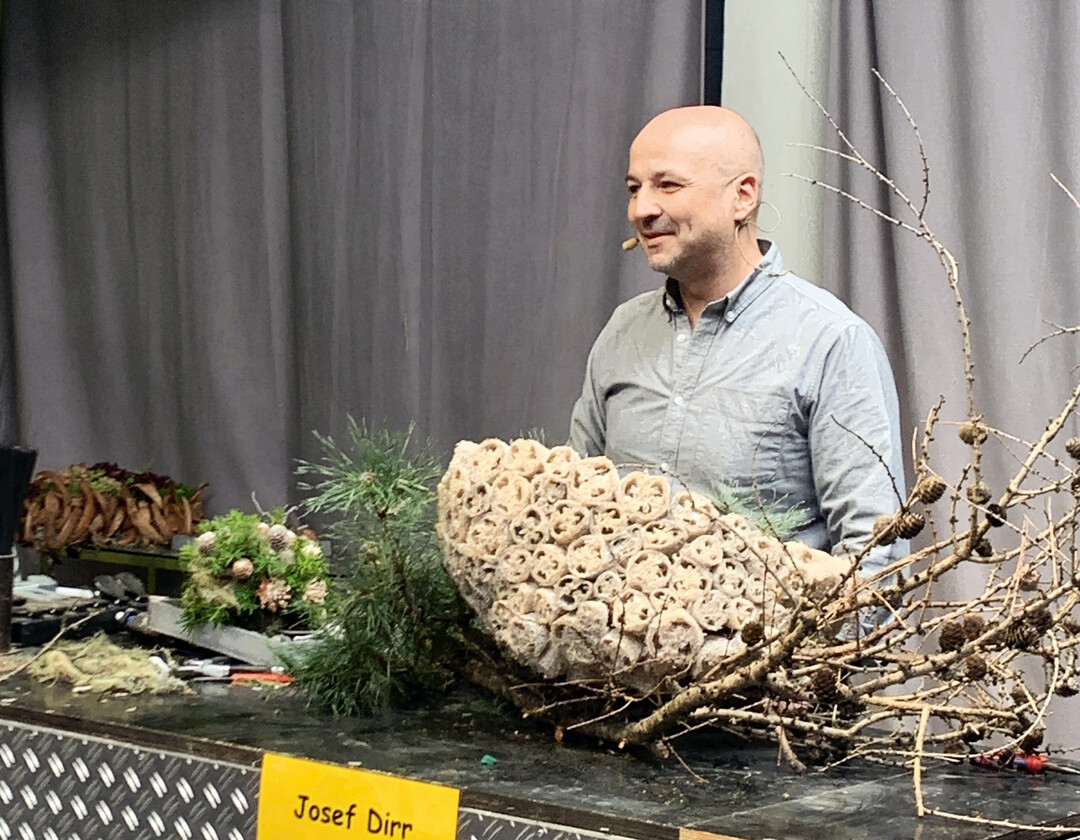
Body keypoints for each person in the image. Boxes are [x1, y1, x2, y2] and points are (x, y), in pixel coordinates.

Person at [568, 105, 906, 572]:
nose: (641, 209)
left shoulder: (832, 343)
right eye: (634, 188)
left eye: (668, 185)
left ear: (743, 197)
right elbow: (573, 507)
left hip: (773, 623)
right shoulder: (623, 332)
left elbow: (875, 558)